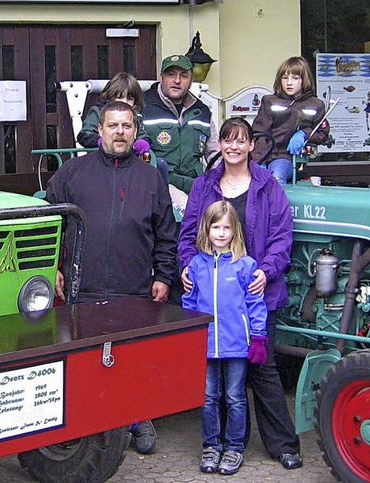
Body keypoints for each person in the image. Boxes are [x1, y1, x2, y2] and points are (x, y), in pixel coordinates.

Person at [47, 100, 177, 456]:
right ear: (100, 131)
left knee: (131, 361)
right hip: (81, 285)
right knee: (84, 362)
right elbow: (48, 224)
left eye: (126, 126)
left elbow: (166, 233)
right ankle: (86, 430)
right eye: (113, 126)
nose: (120, 132)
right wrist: (52, 267)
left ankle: (138, 422)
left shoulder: (151, 178)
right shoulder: (73, 172)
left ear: (136, 132)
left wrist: (164, 275)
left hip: (133, 285)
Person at [178, 117, 303, 470]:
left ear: (251, 146)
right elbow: (189, 234)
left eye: (241, 141)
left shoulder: (268, 186)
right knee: (217, 375)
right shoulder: (204, 187)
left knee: (262, 370)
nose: (233, 147)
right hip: (214, 296)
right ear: (220, 145)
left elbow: (282, 236)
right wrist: (188, 266)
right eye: (227, 140)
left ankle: (283, 444)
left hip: (256, 292)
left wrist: (266, 271)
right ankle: (227, 444)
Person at [182, 200, 268, 476]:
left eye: (226, 228)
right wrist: (188, 338)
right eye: (216, 227)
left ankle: (233, 448)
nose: (220, 233)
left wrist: (258, 337)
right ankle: (211, 445)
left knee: (235, 398)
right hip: (205, 345)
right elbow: (190, 303)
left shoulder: (245, 265)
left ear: (235, 231)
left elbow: (255, 303)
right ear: (206, 230)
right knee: (208, 397)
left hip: (236, 346)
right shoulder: (196, 265)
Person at [141, 54, 219, 213]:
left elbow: (214, 153)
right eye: (171, 75)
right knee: (190, 210)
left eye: (184, 76)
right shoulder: (143, 106)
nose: (177, 80)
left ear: (191, 81)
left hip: (197, 183)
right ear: (161, 77)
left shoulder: (202, 111)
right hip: (160, 183)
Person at [251, 56, 330, 185]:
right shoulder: (270, 101)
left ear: (304, 80)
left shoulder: (315, 104)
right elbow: (259, 132)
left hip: (286, 156)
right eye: (285, 78)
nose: (289, 82)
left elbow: (322, 133)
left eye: (295, 78)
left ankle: (278, 205)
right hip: (263, 155)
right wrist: (259, 162)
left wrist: (304, 134)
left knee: (277, 177)